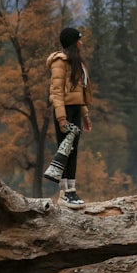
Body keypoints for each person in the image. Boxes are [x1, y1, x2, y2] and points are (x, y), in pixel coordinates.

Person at [46, 26, 92, 208]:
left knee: (73, 151)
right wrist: (61, 119)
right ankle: (64, 193)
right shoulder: (59, 63)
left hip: (74, 111)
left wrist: (85, 115)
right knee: (64, 150)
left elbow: (79, 93)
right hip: (63, 112)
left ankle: (71, 190)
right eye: (78, 40)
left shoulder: (75, 63)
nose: (81, 43)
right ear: (73, 43)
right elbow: (56, 93)